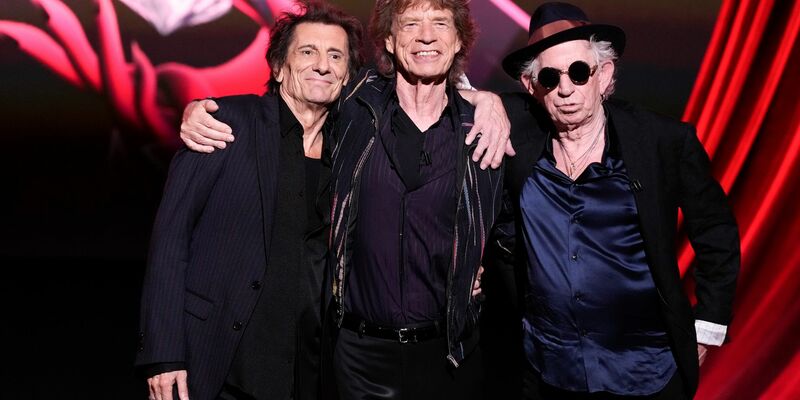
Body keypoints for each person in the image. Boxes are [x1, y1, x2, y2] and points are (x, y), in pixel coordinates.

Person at [180, 0, 508, 399]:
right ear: (389, 40)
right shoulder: (353, 110)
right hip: (358, 359)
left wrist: (488, 100)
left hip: (451, 357)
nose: (426, 35)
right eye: (411, 24)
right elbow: (295, 98)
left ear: (459, 42)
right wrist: (199, 110)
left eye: (440, 23)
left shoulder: (483, 132)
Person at [489, 2, 740, 399]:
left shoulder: (660, 142)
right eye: (551, 78)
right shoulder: (520, 143)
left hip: (647, 371)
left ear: (604, 74)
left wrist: (707, 326)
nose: (566, 88)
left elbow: (716, 233)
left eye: (578, 72)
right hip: (550, 371)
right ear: (532, 87)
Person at [134, 2, 365, 400]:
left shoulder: (351, 151)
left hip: (309, 366)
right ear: (278, 68)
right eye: (307, 52)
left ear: (347, 76)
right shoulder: (224, 123)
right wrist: (164, 353)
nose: (322, 65)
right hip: (220, 359)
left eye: (335, 55)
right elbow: (171, 241)